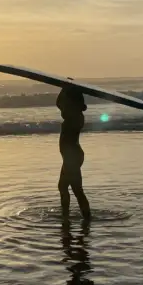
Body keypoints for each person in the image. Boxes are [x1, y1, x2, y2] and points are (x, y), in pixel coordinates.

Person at [56, 86, 92, 220]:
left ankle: (86, 218)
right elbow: (59, 103)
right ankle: (66, 215)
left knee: (76, 190)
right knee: (63, 187)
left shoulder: (76, 117)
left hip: (72, 157)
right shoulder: (73, 115)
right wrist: (64, 88)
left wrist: (67, 90)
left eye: (67, 103)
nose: (63, 108)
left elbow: (60, 104)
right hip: (71, 156)